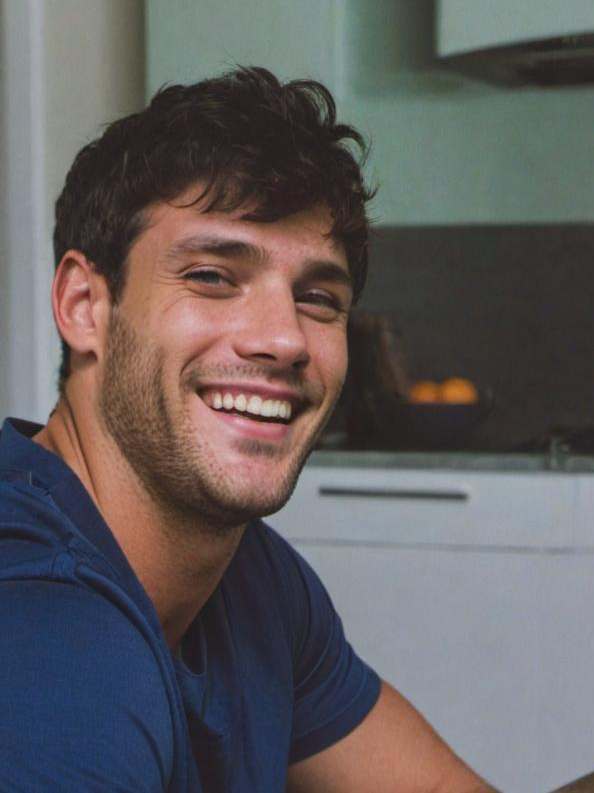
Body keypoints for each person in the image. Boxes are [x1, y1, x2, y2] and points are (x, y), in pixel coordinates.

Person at [0, 66, 499, 792]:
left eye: (318, 297)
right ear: (85, 306)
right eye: (211, 276)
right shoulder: (43, 634)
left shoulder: (255, 583)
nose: (285, 339)